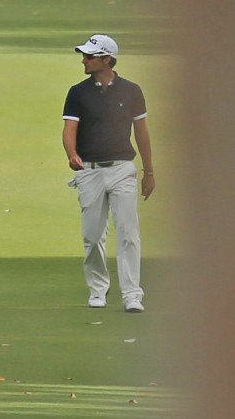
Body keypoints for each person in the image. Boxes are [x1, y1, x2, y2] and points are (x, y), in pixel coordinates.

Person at [61, 34, 155, 313]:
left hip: (123, 168)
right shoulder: (78, 92)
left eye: (89, 56)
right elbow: (69, 130)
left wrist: (148, 171)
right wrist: (72, 154)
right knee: (92, 235)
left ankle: (132, 295)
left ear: (107, 59)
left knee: (128, 233)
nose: (84, 60)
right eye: (85, 56)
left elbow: (142, 133)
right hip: (89, 171)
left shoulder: (132, 91)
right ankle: (98, 289)